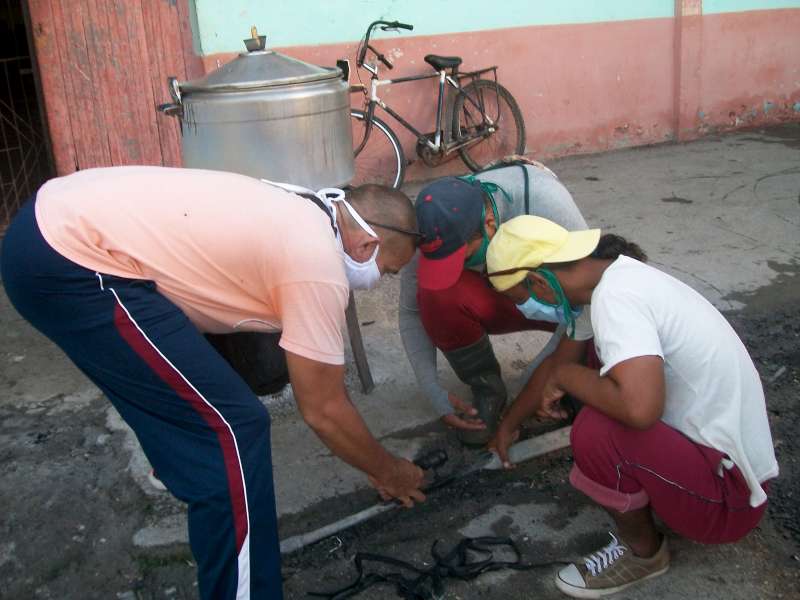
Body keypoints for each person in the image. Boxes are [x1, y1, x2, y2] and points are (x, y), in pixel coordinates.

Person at [0, 166, 426, 600]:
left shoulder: (304, 204)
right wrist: (390, 472)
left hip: (56, 222)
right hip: (71, 261)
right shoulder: (317, 264)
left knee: (204, 393)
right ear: (368, 244)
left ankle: (181, 462)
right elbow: (324, 409)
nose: (377, 282)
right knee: (234, 431)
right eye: (388, 272)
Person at [486, 215, 778, 598]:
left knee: (596, 430)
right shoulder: (613, 279)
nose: (532, 307)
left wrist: (567, 379)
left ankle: (643, 555)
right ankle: (658, 491)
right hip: (735, 472)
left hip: (728, 504)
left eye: (525, 298)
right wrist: (511, 422)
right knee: (591, 374)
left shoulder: (616, 298)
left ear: (540, 281)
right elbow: (561, 361)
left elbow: (639, 409)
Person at [399, 159, 591, 445]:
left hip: (557, 299)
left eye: (461, 257)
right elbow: (411, 312)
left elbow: (586, 307)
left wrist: (534, 385)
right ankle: (488, 389)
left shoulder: (545, 202)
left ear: (490, 224)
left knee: (596, 366)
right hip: (504, 299)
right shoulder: (433, 227)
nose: (456, 264)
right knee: (434, 294)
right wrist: (432, 390)